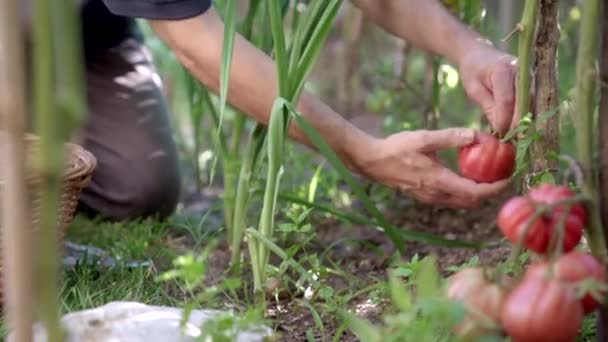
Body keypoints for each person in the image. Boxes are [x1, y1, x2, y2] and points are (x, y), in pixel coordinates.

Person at [24, 0, 520, 221]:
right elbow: (201, 48)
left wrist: (467, 48)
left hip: (85, 34)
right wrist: (359, 152)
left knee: (139, 188)